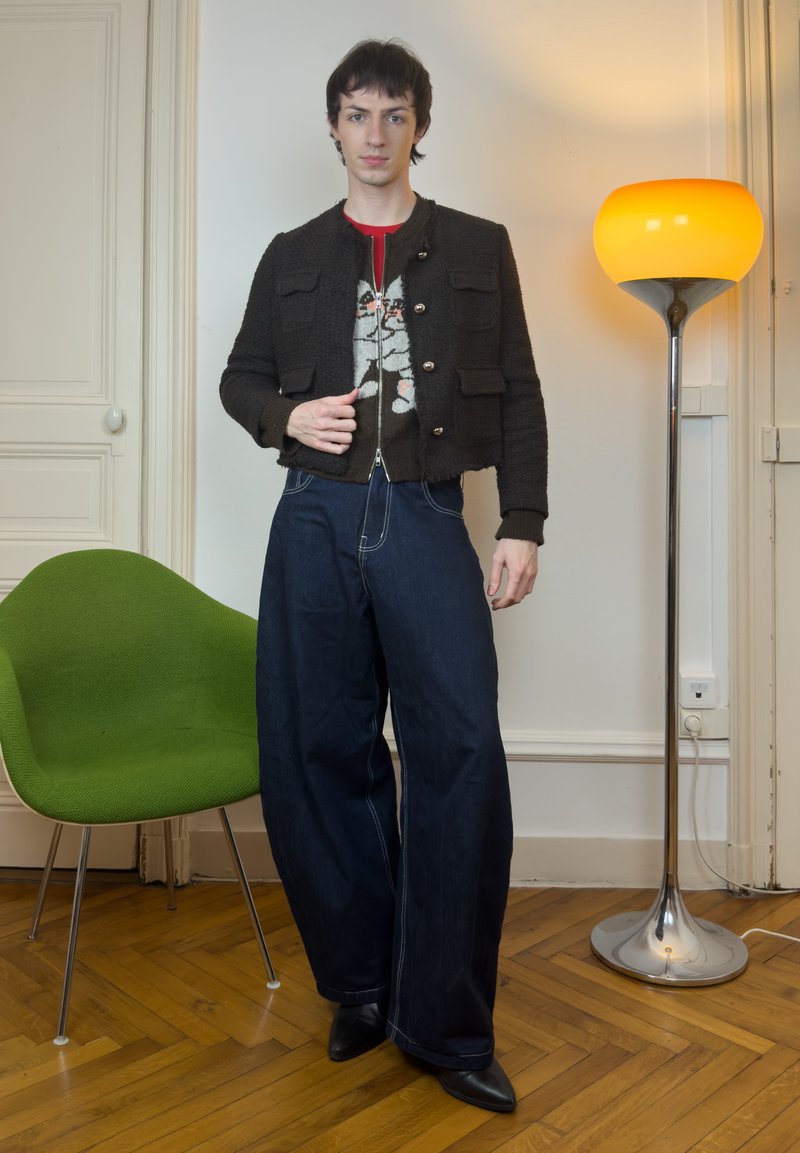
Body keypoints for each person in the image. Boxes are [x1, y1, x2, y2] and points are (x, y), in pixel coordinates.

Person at [220, 38, 547, 1114]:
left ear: (418, 125)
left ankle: (445, 1022)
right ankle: (361, 986)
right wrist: (282, 417)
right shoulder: (290, 252)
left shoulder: (475, 247)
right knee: (322, 753)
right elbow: (240, 376)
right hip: (311, 517)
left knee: (456, 752)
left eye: (392, 114)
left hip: (423, 512)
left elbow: (525, 394)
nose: (373, 133)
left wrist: (523, 524)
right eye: (355, 114)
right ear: (332, 127)